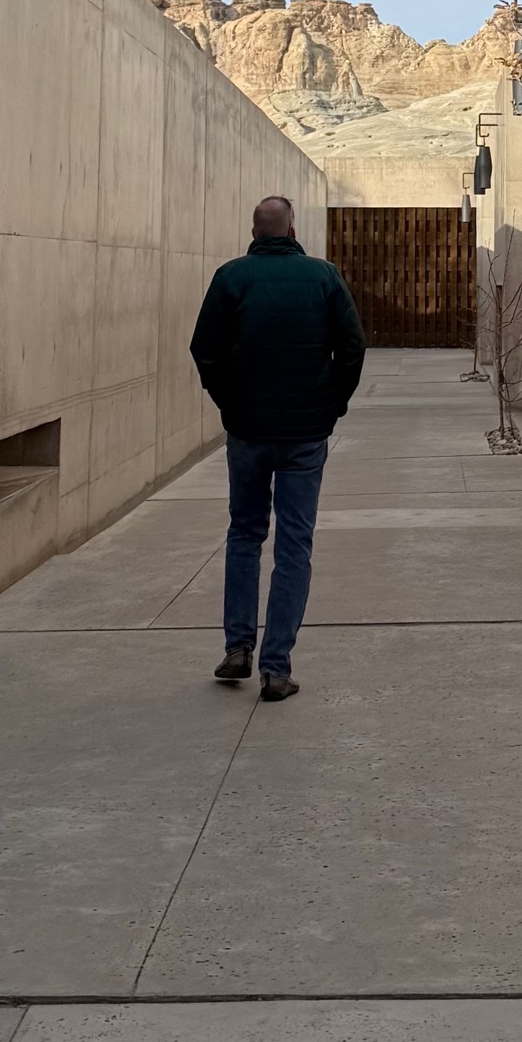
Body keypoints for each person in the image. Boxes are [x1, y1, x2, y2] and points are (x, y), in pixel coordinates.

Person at [188, 195, 365, 701]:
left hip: (248, 433)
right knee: (294, 545)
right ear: (291, 228)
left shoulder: (231, 277)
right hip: (305, 436)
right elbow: (352, 347)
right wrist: (333, 404)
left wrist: (229, 401)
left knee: (244, 533)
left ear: (254, 230)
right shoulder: (324, 276)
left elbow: (205, 349)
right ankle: (276, 668)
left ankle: (237, 647)